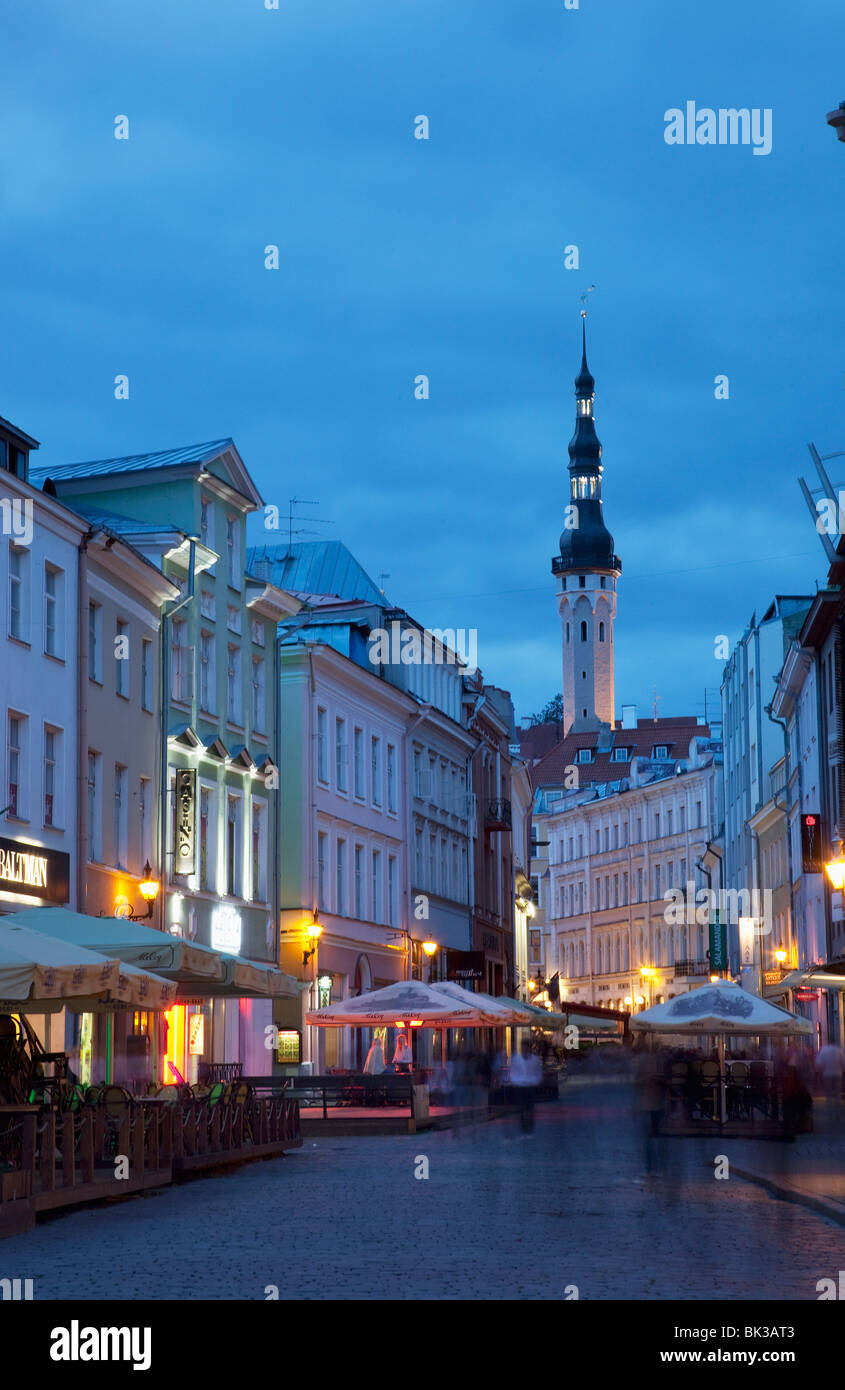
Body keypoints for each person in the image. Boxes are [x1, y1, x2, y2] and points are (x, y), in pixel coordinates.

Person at [509, 1041, 542, 1135]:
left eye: (526, 1047)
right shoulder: (516, 1059)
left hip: (530, 1086)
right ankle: (523, 1126)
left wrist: (536, 1081)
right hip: (519, 1086)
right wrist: (514, 1081)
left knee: (530, 1107)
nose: (524, 1049)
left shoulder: (535, 1060)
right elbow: (512, 1071)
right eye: (523, 1047)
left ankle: (529, 1127)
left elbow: (538, 1072)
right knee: (522, 1107)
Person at [816, 1041, 845, 1119]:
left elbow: (819, 1063)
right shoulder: (839, 1050)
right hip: (838, 1074)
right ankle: (837, 1113)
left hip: (827, 1074)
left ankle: (830, 1113)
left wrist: (819, 1075)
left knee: (828, 1095)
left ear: (828, 1043)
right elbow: (843, 1063)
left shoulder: (823, 1050)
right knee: (837, 1094)